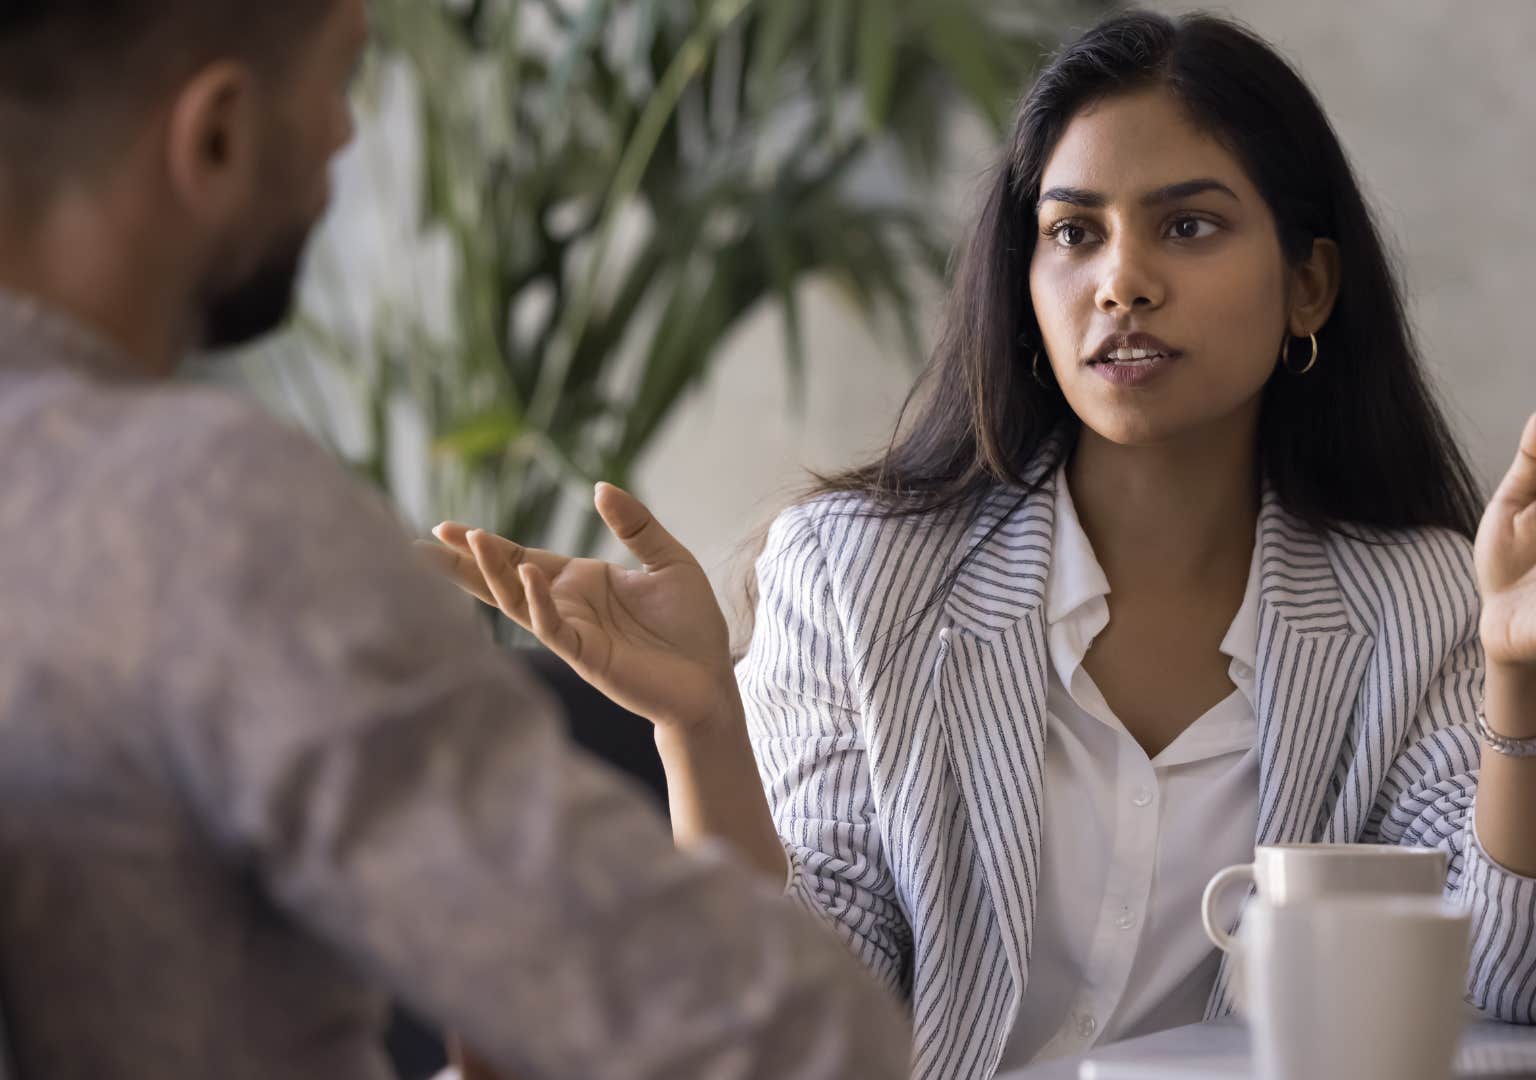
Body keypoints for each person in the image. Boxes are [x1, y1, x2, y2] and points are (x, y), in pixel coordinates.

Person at [425, 10, 1536, 1080]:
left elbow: (1515, 982)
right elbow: (795, 1017)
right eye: (1074, 234)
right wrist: (700, 726)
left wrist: (1523, 676)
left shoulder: (1410, 601)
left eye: (1188, 227)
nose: (1122, 282)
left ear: (1310, 286)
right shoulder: (853, 575)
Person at [0, 2, 909, 1078]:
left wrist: (701, 720)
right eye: (338, 81)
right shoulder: (203, 514)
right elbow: (785, 1037)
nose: (344, 134)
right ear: (218, 134)